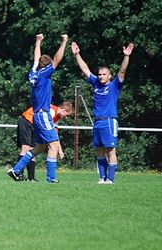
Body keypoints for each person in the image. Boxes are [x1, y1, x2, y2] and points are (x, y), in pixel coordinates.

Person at [7, 34, 68, 183]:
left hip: (36, 115)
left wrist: (38, 41)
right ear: (47, 67)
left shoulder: (34, 72)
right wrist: (64, 42)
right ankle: (51, 179)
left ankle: (16, 170)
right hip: (43, 114)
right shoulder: (45, 74)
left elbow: (36, 58)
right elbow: (57, 60)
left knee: (39, 148)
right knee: (53, 146)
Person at [71, 41, 134, 184]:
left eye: (103, 74)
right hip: (97, 121)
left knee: (110, 150)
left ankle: (110, 179)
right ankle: (102, 177)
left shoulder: (114, 86)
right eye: (99, 74)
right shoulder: (96, 84)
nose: (100, 76)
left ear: (109, 76)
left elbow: (122, 71)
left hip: (109, 121)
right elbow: (85, 69)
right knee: (99, 150)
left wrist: (126, 57)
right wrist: (77, 55)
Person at [16, 102, 73, 181]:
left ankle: (31, 177)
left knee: (34, 148)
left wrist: (60, 149)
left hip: (35, 126)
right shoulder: (51, 111)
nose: (66, 118)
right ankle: (18, 174)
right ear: (64, 110)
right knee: (25, 148)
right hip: (26, 121)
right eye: (67, 115)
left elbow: (54, 134)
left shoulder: (56, 117)